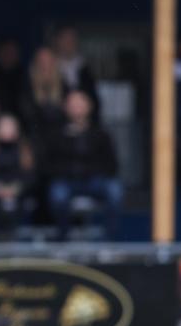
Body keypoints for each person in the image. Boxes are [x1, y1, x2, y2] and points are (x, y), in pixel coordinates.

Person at [46, 91, 123, 241]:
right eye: (73, 105)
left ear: (89, 107)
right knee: (57, 194)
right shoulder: (56, 134)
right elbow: (48, 164)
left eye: (80, 104)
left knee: (115, 190)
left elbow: (112, 164)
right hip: (67, 181)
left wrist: (91, 171)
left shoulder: (100, 133)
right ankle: (63, 237)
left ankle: (110, 239)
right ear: (65, 108)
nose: (77, 109)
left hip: (95, 180)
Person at [0, 114, 36, 240]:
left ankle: (19, 241)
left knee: (19, 206)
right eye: (3, 126)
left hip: (19, 193)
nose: (6, 129)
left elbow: (30, 176)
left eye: (10, 126)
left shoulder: (25, 150)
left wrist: (15, 189)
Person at [52, 25, 100, 120]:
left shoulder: (85, 68)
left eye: (72, 39)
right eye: (65, 39)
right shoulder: (51, 66)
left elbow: (94, 99)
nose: (69, 43)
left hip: (83, 121)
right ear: (57, 41)